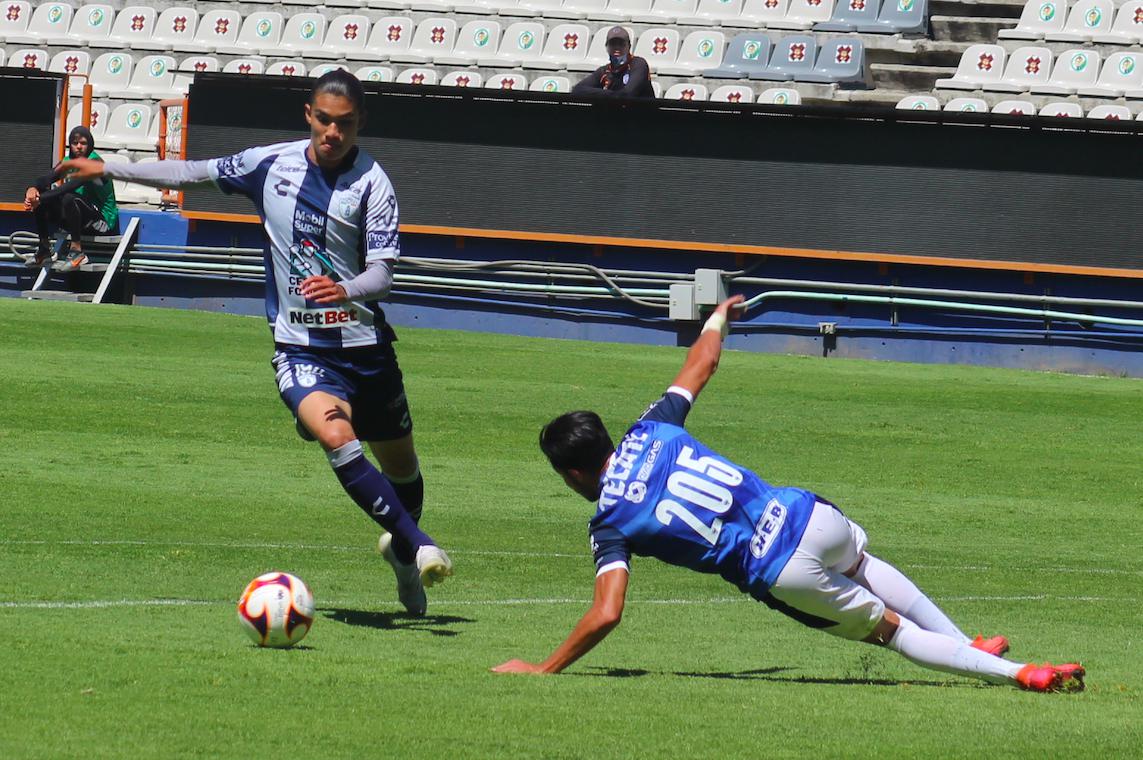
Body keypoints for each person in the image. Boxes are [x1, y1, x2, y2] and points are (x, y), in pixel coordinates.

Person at [492, 295, 1085, 693]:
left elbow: (607, 613)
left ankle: (1018, 674)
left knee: (894, 633)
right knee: (864, 564)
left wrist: (543, 669)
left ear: (573, 476)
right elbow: (702, 362)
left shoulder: (608, 523)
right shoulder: (653, 428)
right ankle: (969, 642)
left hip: (781, 568)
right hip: (808, 512)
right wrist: (717, 316)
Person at [61, 70, 452, 615]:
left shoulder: (373, 183)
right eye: (324, 120)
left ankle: (402, 555)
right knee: (336, 436)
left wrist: (344, 287)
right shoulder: (272, 164)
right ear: (308, 115)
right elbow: (191, 171)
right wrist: (108, 166)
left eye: (344, 123)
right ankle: (422, 544)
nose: (332, 132)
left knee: (404, 471)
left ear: (359, 123)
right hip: (300, 347)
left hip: (365, 348)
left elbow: (384, 272)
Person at [23, 125, 119, 269]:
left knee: (67, 196)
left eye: (83, 143)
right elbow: (47, 178)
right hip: (77, 217)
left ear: (90, 145)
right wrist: (32, 190)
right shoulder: (68, 161)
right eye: (75, 143)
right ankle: (44, 248)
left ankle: (77, 251)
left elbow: (69, 187)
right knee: (42, 193)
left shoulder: (94, 162)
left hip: (101, 222)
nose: (79, 147)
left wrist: (40, 198)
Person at [572, 27, 655, 99]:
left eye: (621, 44)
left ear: (629, 46)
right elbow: (578, 89)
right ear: (607, 47)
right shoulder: (604, 71)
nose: (617, 47)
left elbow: (628, 94)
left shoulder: (638, 64)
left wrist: (607, 94)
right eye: (613, 44)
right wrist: (612, 94)